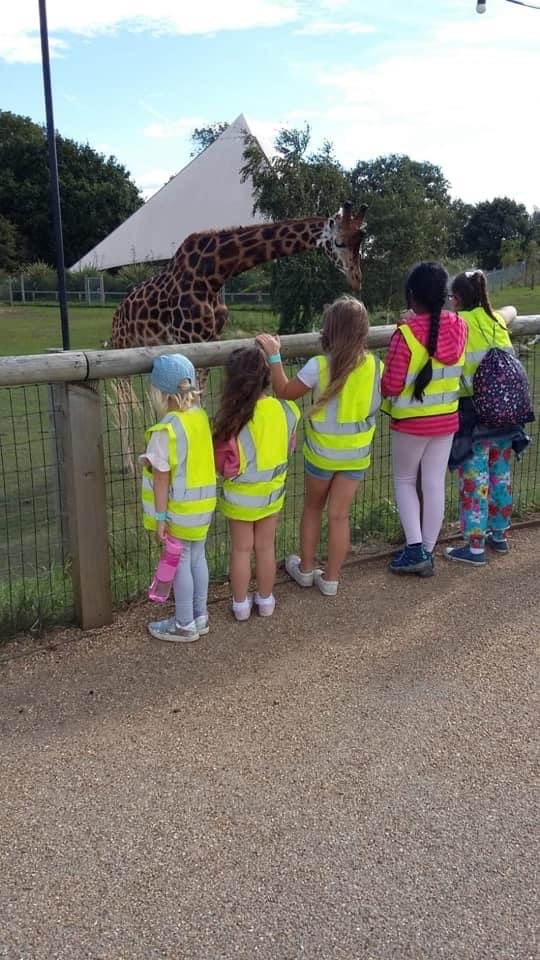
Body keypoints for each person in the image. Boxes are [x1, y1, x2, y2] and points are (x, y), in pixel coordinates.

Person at [257, 296, 382, 597]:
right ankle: (332, 579)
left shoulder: (318, 366)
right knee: (339, 515)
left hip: (321, 455)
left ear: (329, 330)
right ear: (363, 332)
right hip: (356, 456)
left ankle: (306, 568)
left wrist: (274, 357)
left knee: (313, 507)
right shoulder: (376, 366)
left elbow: (285, 392)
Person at [381, 262, 467, 576]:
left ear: (412, 296)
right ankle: (427, 550)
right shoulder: (460, 326)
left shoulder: (405, 335)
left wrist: (403, 327)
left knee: (405, 481)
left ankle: (414, 549)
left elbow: (390, 384)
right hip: (446, 420)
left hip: (411, 422)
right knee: (434, 484)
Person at [444, 269, 530, 564]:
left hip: (475, 418)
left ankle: (475, 547)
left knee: (475, 480)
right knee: (500, 477)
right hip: (507, 417)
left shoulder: (458, 323)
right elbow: (511, 310)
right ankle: (499, 534)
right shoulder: (496, 320)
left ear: (455, 299)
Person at [213, 347, 300, 621]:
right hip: (272, 494)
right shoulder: (287, 410)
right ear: (266, 378)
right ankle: (266, 601)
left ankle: (239, 606)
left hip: (239, 498)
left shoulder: (229, 420)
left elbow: (221, 465)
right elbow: (290, 446)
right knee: (266, 547)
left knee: (241, 550)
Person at [140, 354, 216, 642]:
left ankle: (184, 624)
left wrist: (160, 517)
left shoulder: (166, 429)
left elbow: (162, 476)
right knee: (197, 556)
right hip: (203, 504)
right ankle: (200, 615)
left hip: (179, 509)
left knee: (180, 559)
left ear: (161, 393)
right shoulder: (200, 418)